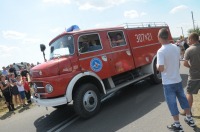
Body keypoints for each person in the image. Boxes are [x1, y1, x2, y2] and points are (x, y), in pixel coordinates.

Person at [156, 28, 195, 131]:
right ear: (168, 36)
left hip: (168, 82)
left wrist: (156, 66)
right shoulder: (175, 47)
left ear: (159, 38)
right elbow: (177, 63)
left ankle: (177, 125)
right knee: (183, 99)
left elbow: (161, 68)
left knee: (172, 103)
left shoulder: (160, 51)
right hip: (177, 79)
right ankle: (189, 118)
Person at [180, 33, 200, 116]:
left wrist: (191, 67)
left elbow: (184, 64)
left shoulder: (189, 50)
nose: (188, 41)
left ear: (192, 39)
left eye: (188, 39)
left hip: (194, 76)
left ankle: (187, 111)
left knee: (189, 93)